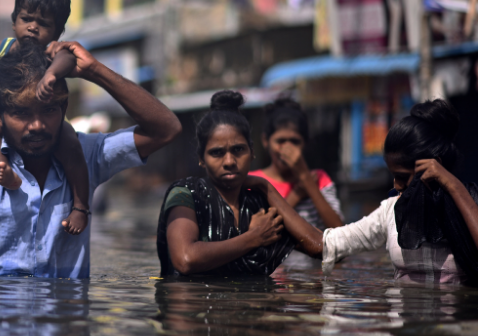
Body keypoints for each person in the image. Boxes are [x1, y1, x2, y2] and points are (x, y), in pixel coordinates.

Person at [0, 41, 182, 278]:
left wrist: (95, 71)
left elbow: (166, 129)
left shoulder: (88, 155)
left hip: (66, 322)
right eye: (21, 113)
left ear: (64, 109)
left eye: (49, 110)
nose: (37, 125)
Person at [0, 0, 90, 235]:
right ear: (14, 22)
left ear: (58, 32)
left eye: (44, 24)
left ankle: (80, 205)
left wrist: (51, 75)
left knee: (70, 141)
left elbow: (68, 58)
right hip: (7, 120)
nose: (33, 28)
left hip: (48, 125)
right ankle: (4, 170)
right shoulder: (0, 49)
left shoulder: (53, 53)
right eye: (27, 20)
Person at [156, 91, 322, 277]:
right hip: (196, 304)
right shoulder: (186, 194)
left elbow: (319, 247)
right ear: (201, 159)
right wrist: (253, 238)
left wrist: (266, 187)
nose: (229, 161)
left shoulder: (257, 203)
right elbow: (185, 259)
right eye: (217, 153)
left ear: (252, 152)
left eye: (238, 150)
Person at [313, 100, 478, 285]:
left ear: (435, 167)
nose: (397, 186)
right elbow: (329, 243)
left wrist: (454, 186)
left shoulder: (470, 204)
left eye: (402, 176)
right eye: (393, 176)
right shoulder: (392, 210)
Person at [250, 98, 343, 231]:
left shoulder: (319, 179)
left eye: (294, 141)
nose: (287, 148)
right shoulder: (253, 183)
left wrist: (306, 179)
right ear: (266, 141)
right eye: (280, 141)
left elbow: (339, 229)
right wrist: (297, 194)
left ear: (305, 143)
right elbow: (261, 230)